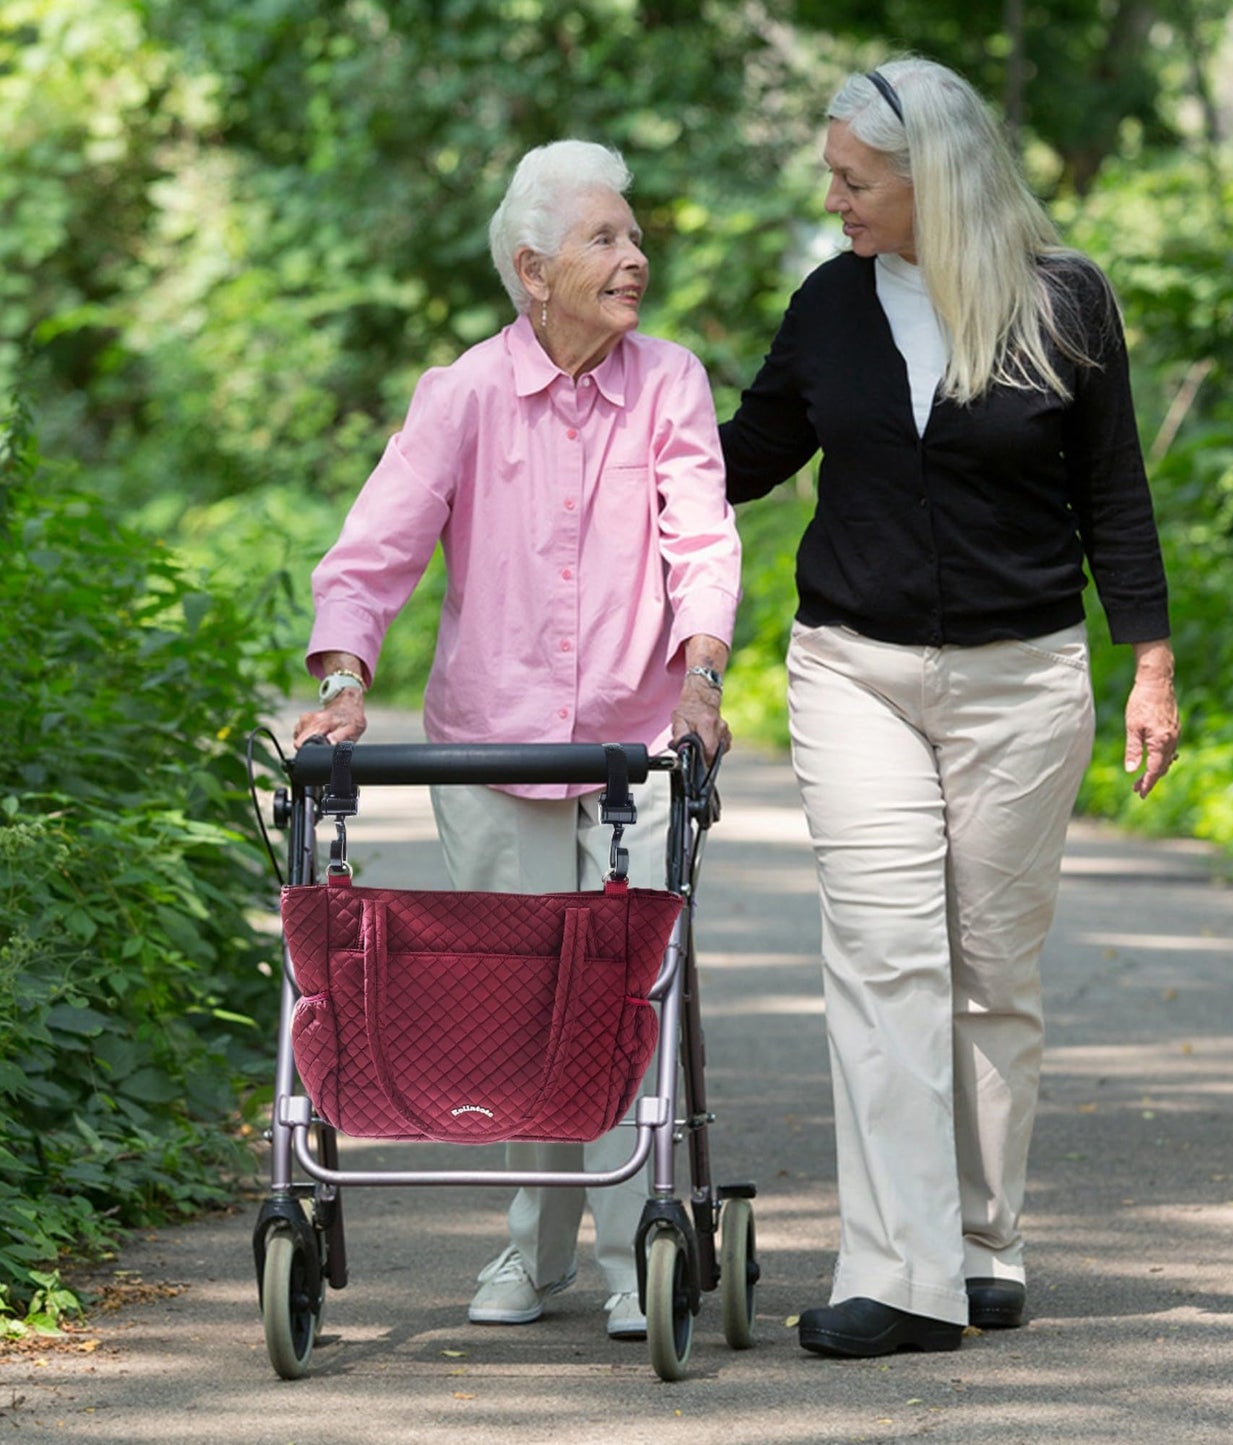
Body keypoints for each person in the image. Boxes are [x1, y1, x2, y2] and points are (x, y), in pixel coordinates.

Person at [720, 57, 1179, 1359]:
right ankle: (901, 1273)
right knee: (886, 961)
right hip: (854, 670)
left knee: (990, 976)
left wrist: (1149, 664)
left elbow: (1114, 495)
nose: (835, 195)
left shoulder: (1063, 302)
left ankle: (983, 1246)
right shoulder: (829, 303)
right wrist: (610, 426)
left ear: (936, 179)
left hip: (1022, 684)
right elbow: (741, 459)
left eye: (855, 179)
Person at [292, 139, 741, 1342]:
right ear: (532, 270)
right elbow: (373, 550)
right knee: (516, 1004)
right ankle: (525, 1246)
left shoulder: (669, 382)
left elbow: (700, 537)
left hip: (631, 750)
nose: (635, 256)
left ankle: (623, 1248)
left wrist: (701, 673)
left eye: (636, 235)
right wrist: (342, 678)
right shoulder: (461, 396)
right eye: (607, 238)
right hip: (486, 756)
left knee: (612, 997)